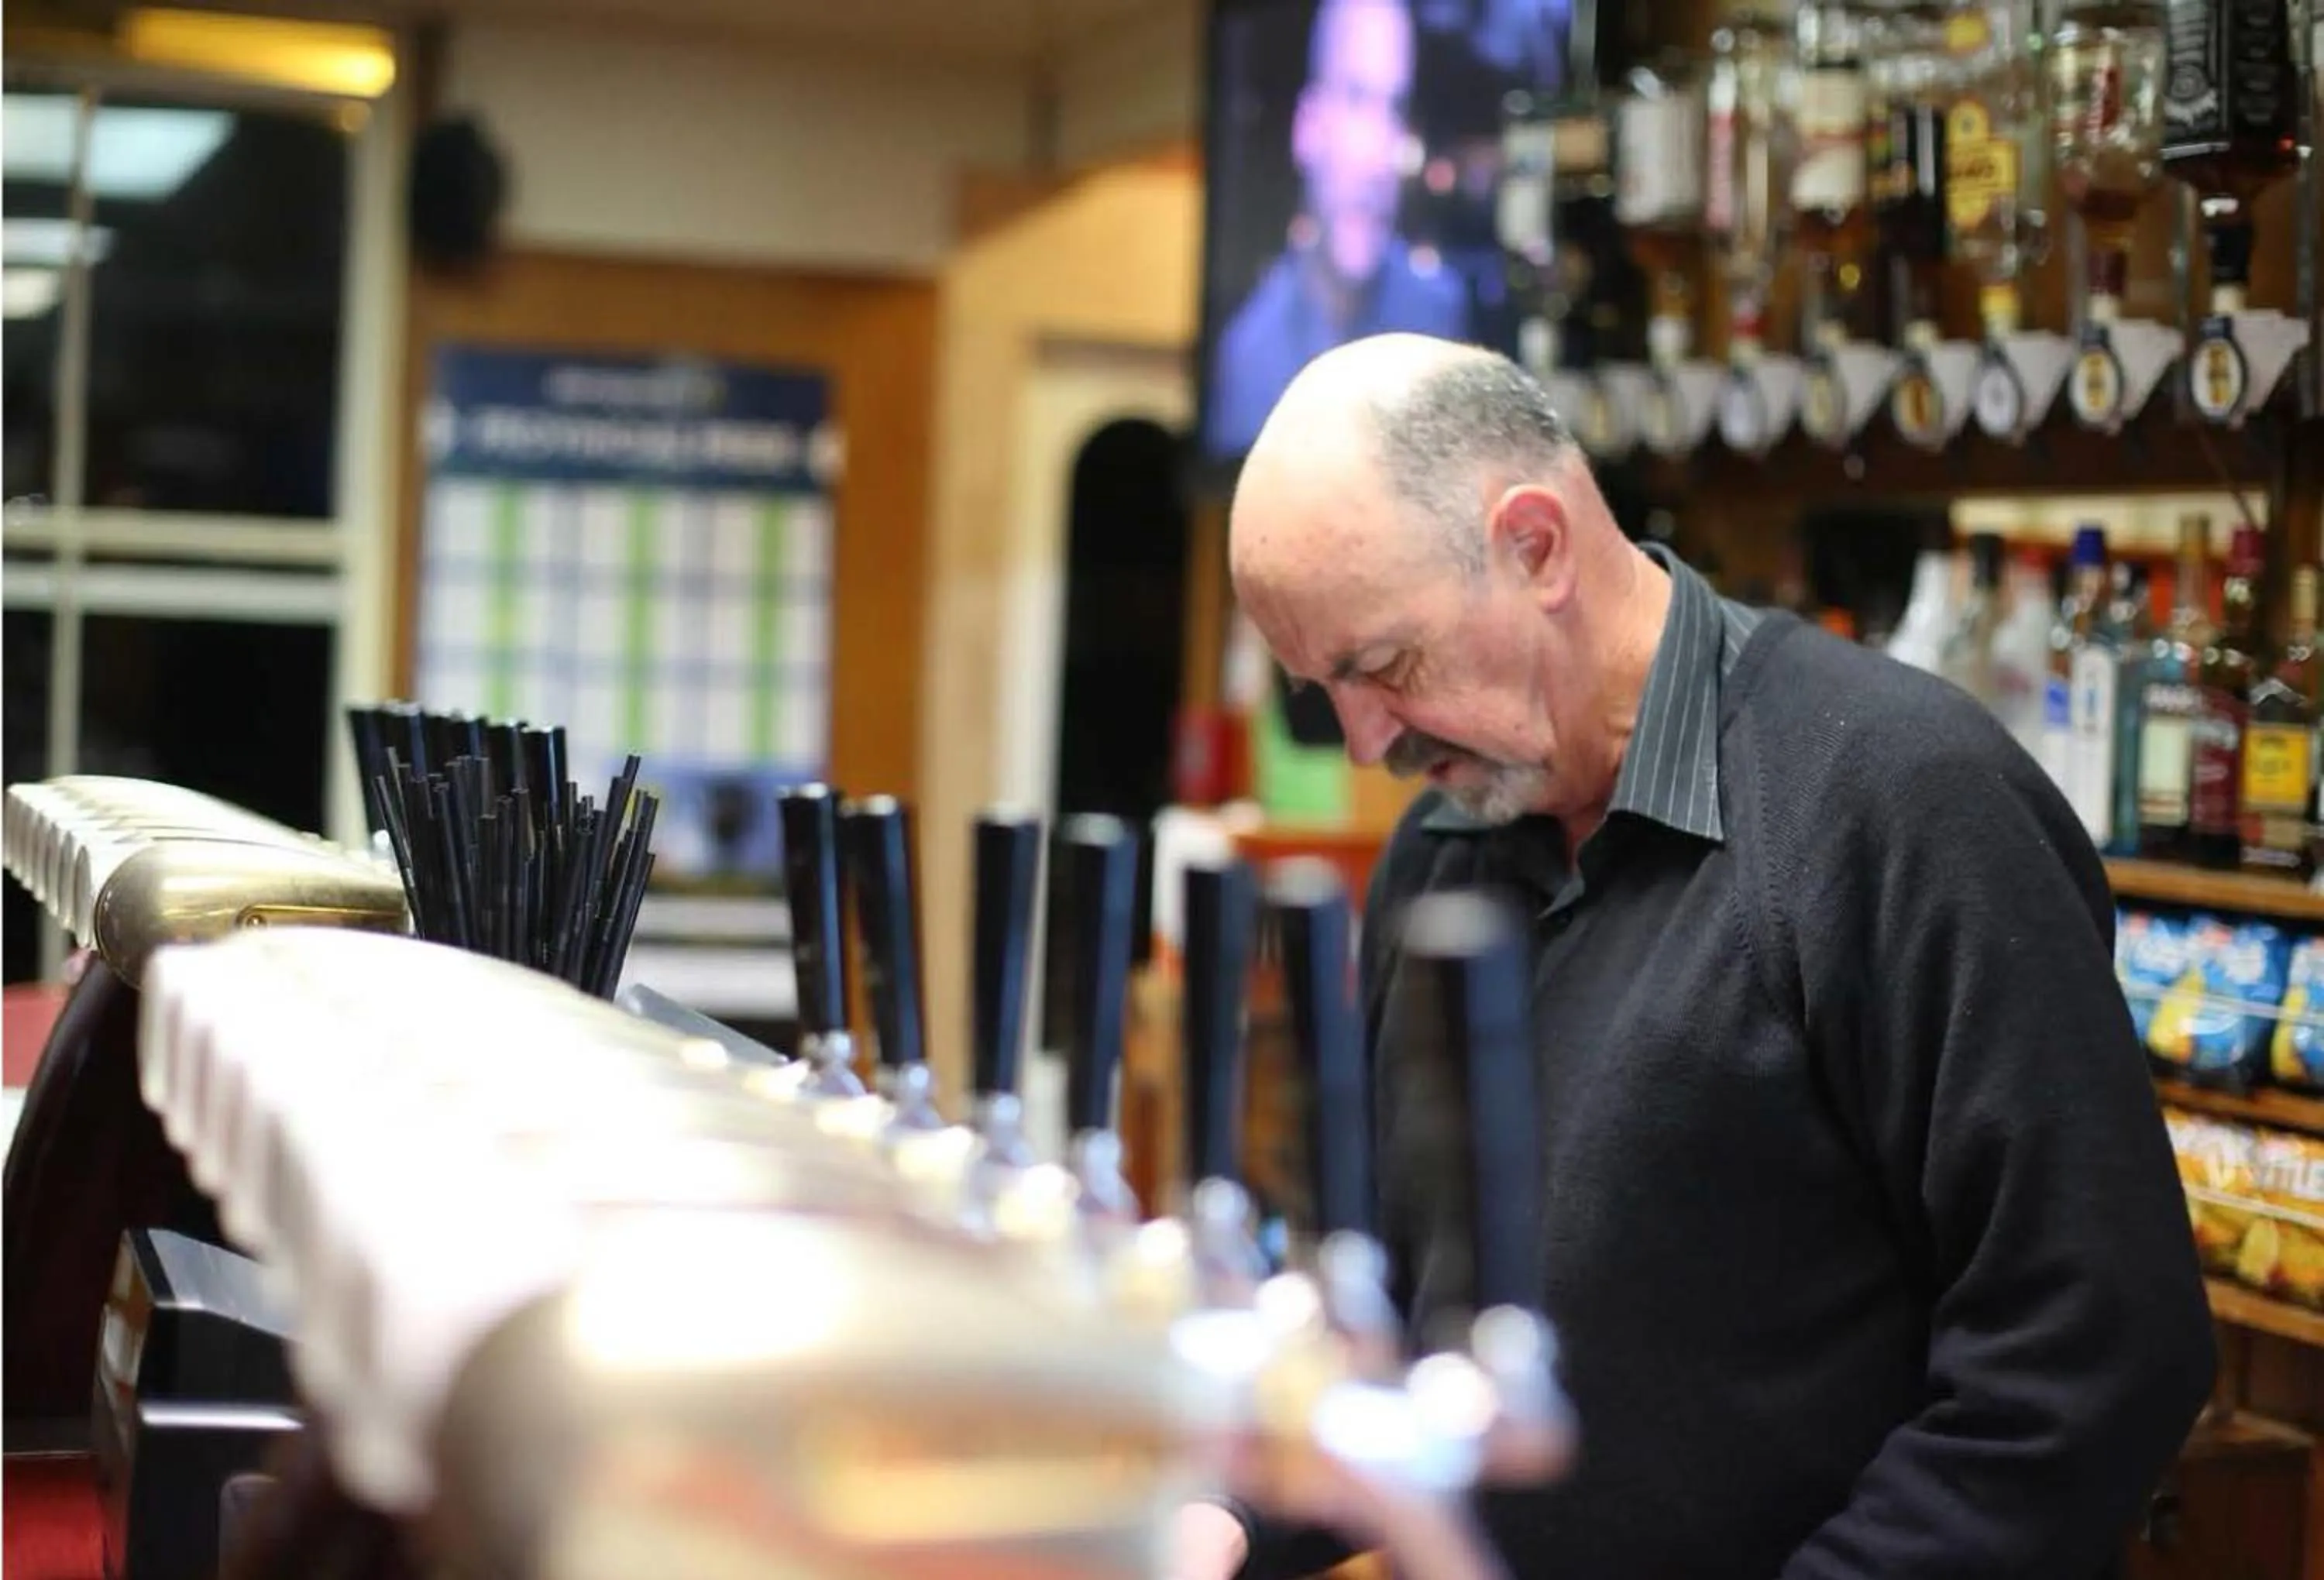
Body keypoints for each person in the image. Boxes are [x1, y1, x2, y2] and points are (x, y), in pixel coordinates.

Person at [1175, 333, 2215, 1579]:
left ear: (1536, 545)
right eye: (1320, 691)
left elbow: (2093, 1352)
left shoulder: (1898, 804)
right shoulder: (1442, 855)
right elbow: (1404, 1312)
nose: (1364, 743)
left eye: (1384, 667)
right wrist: (1226, 1520)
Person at [1206, 0, 1468, 458]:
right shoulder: (1248, 355)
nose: (1376, 156)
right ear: (1308, 129)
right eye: (1356, 100)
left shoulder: (1441, 318)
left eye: (1395, 109)